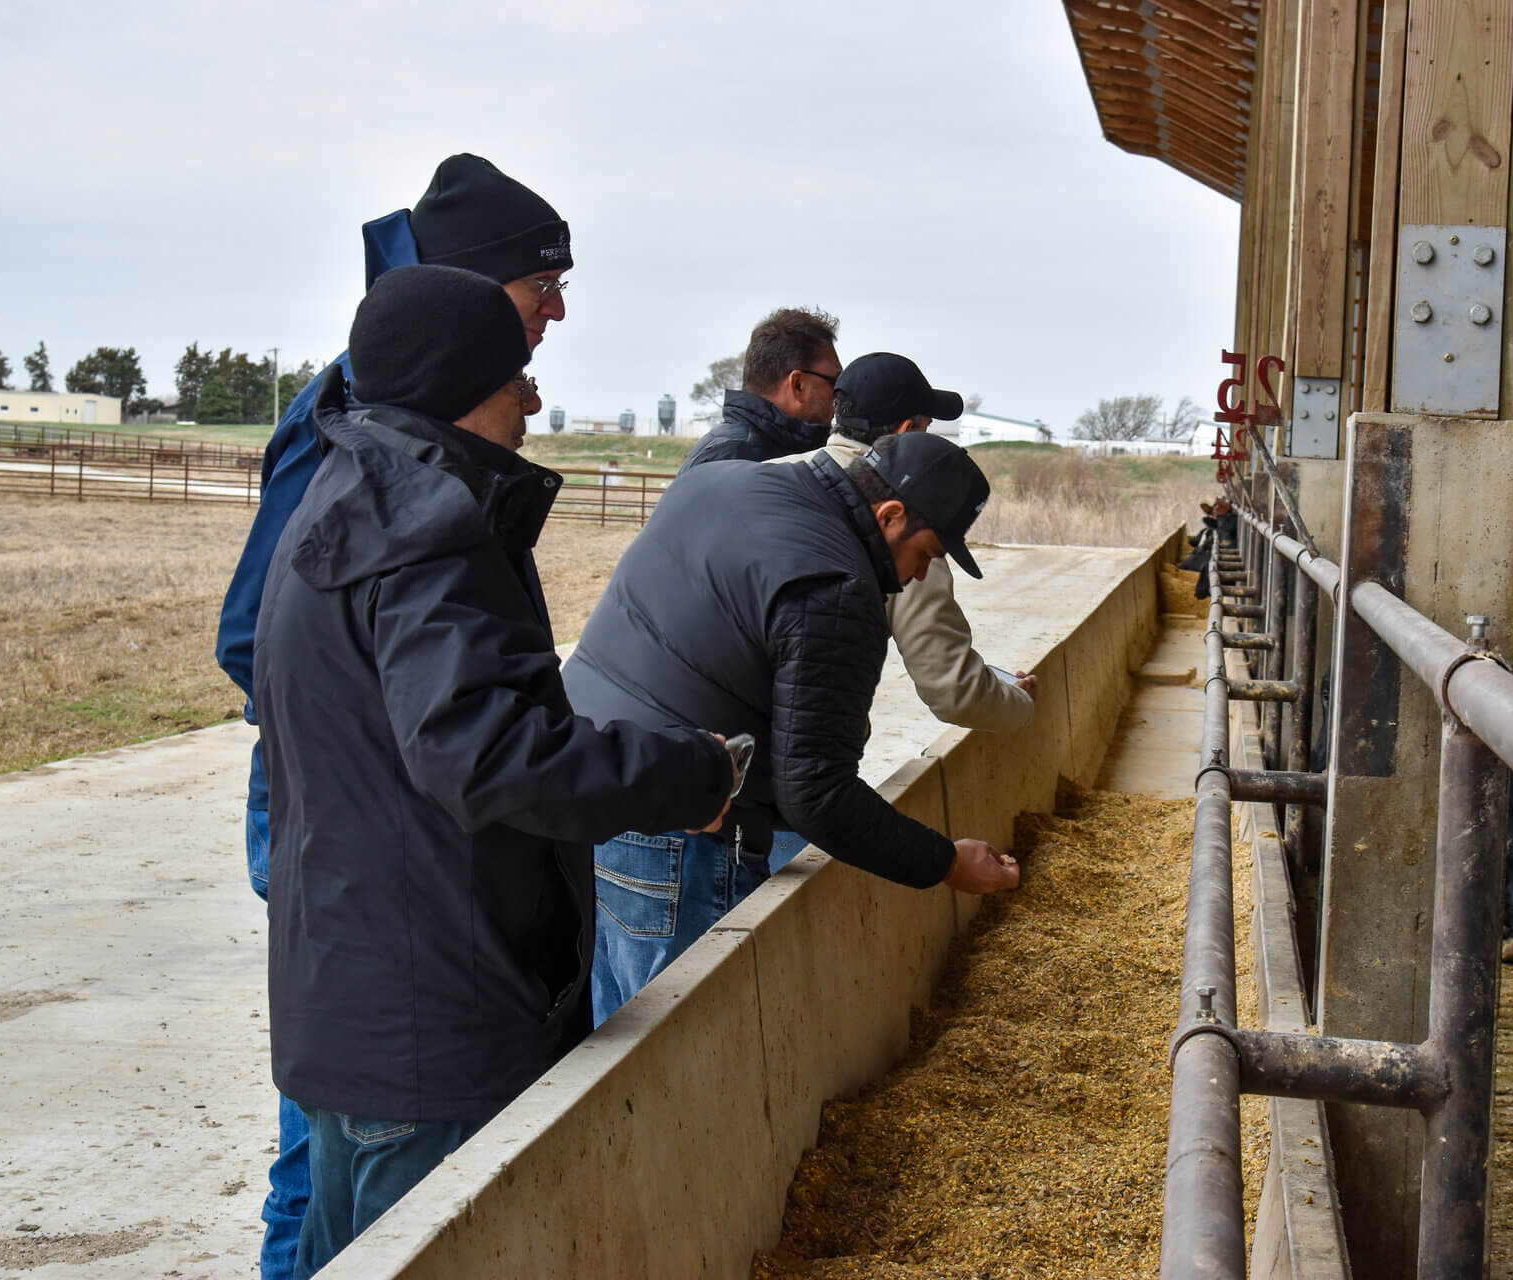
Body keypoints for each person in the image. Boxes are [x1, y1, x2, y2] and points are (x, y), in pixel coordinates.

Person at [254, 266, 734, 1278]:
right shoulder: (425, 527)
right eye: (516, 370)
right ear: (461, 379)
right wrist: (691, 777)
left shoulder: (338, 500)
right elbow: (491, 755)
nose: (533, 395)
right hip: (435, 1016)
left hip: (352, 1002)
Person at [211, 153, 572, 1280]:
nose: (556, 309)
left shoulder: (418, 414)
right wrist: (384, 729)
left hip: (381, 814)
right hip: (357, 825)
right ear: (466, 288)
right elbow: (254, 629)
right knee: (347, 1135)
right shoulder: (360, 418)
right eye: (540, 280)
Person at [563, 432, 1023, 1022]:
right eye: (927, 554)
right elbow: (818, 793)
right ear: (890, 515)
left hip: (589, 770)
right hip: (683, 829)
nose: (915, 576)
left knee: (612, 1015)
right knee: (675, 1032)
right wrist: (946, 862)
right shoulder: (838, 585)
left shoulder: (726, 479)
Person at [768, 351, 1037, 736]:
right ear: (907, 433)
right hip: (793, 740)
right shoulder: (905, 525)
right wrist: (1021, 705)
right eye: (926, 428)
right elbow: (952, 687)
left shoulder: (768, 475)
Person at [676, 306, 841, 473]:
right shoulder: (731, 457)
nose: (840, 392)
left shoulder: (759, 450)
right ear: (797, 384)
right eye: (834, 381)